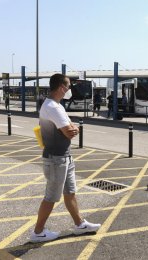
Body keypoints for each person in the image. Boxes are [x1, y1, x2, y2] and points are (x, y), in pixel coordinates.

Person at [31, 73, 100, 243]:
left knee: (70, 193)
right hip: (56, 159)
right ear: (61, 87)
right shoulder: (53, 107)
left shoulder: (56, 106)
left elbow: (70, 127)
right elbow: (69, 131)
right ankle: (38, 232)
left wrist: (71, 129)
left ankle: (80, 224)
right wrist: (72, 130)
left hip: (64, 157)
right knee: (51, 197)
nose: (70, 89)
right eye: (68, 86)